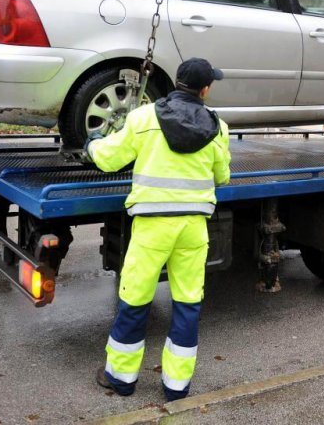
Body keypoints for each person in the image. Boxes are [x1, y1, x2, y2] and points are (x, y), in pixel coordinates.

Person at [85, 57, 231, 400]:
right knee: (187, 302)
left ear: (177, 81)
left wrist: (92, 143)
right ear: (205, 89)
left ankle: (121, 378)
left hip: (152, 228)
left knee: (135, 300)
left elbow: (109, 158)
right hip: (193, 228)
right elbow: (222, 176)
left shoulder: (143, 118)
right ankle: (175, 387)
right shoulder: (217, 127)